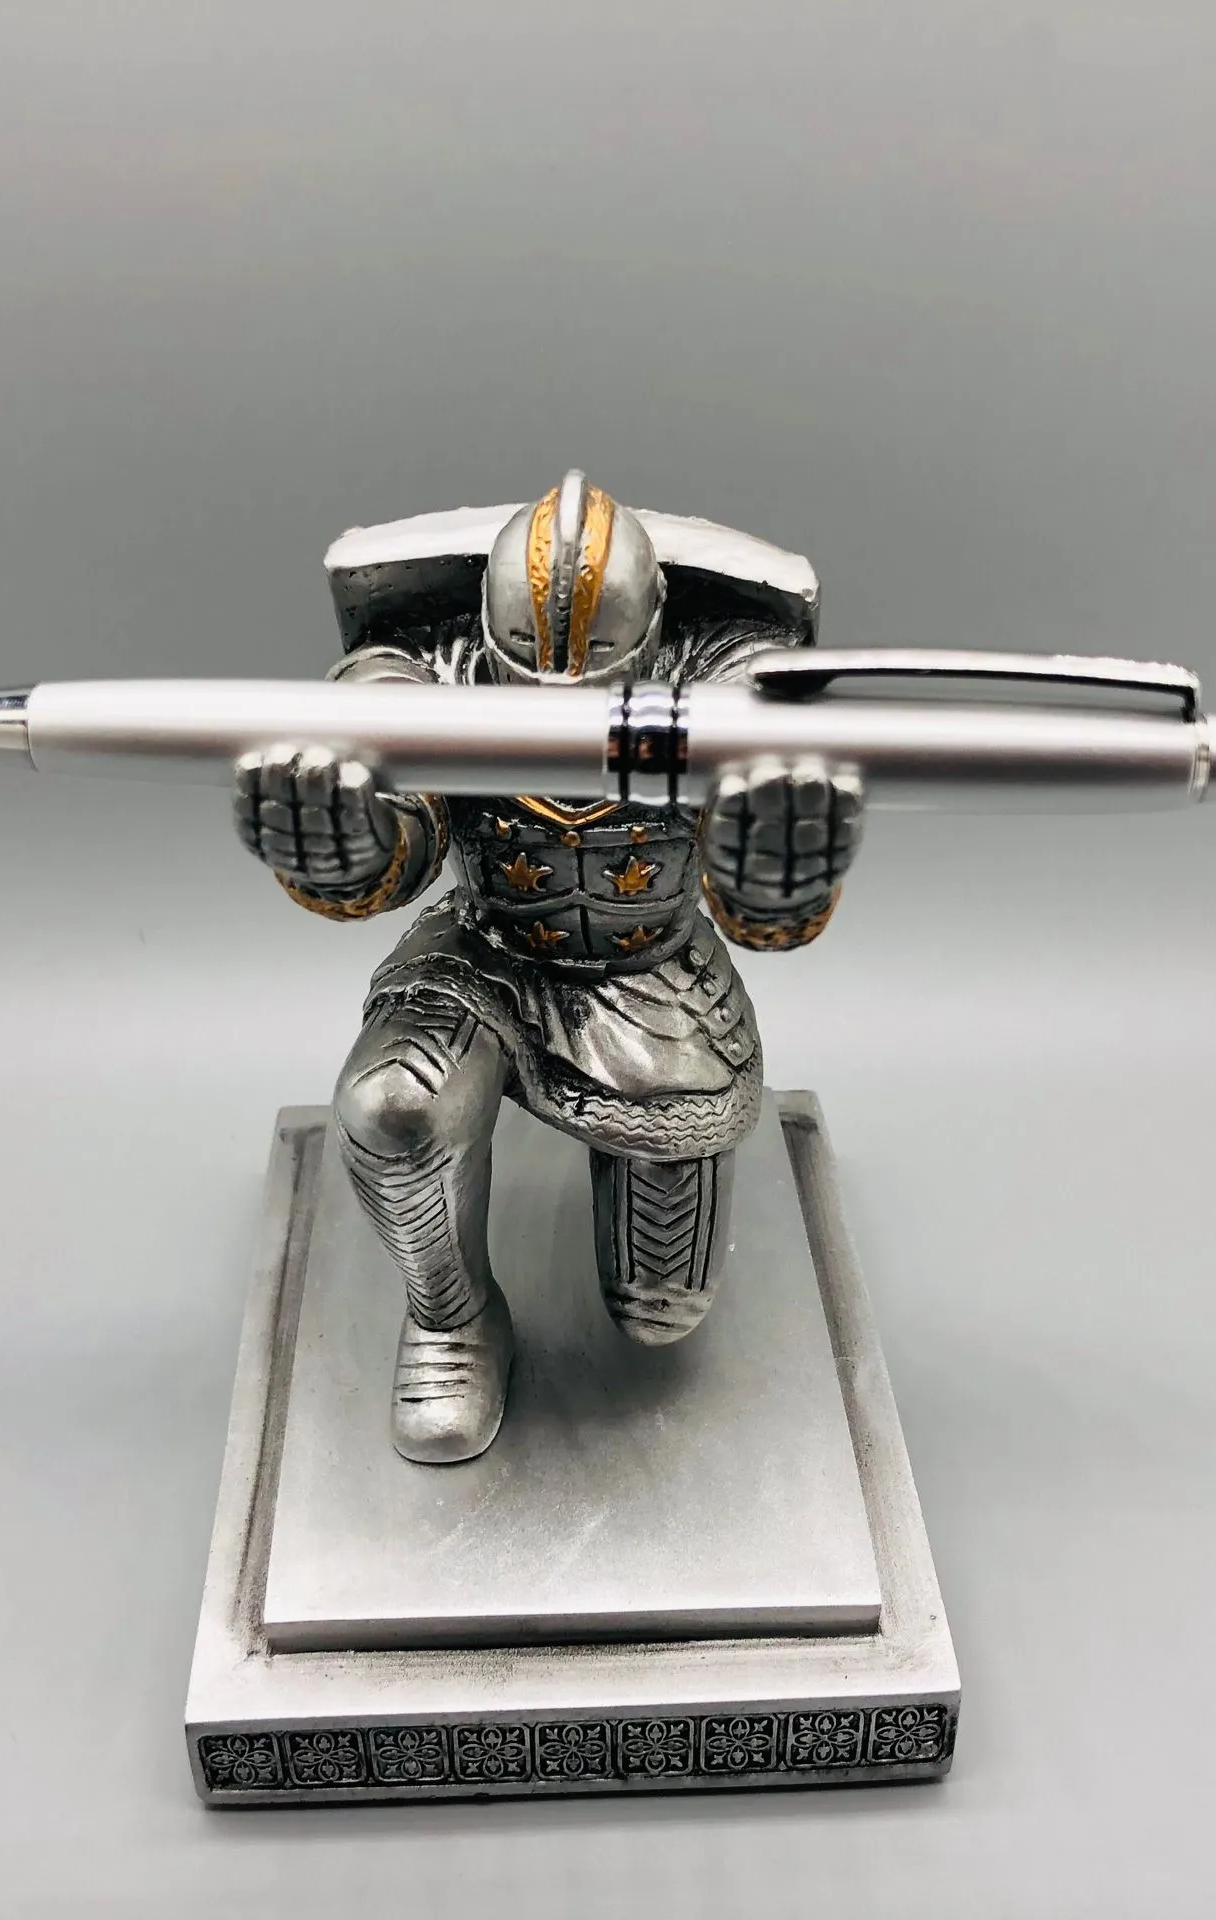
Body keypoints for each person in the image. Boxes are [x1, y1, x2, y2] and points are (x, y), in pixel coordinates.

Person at [235, 472, 863, 1462]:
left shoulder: (721, 678)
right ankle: (450, 1318)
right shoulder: (436, 673)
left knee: (661, 1311)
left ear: (653, 625)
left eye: (596, 663)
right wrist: (343, 833)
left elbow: (765, 832)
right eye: (527, 662)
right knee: (394, 1107)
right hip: (486, 951)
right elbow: (391, 795)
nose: (555, 699)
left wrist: (777, 845)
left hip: (650, 974)